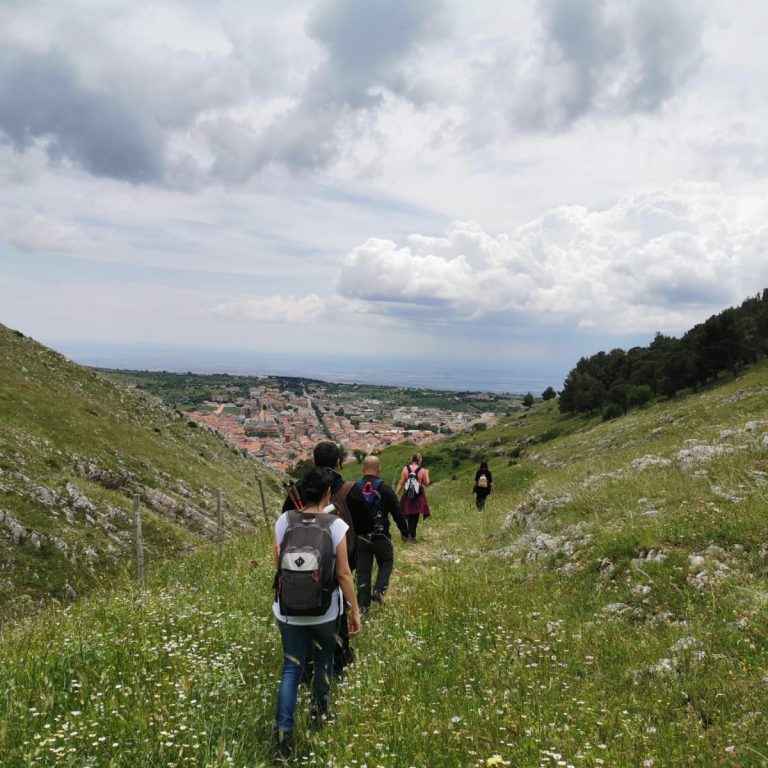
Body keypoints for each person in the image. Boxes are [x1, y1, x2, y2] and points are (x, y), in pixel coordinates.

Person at [273, 467, 362, 761]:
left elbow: (279, 563)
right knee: (324, 663)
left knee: (291, 669)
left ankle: (283, 737)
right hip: (325, 610)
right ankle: (319, 716)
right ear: (327, 493)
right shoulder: (335, 525)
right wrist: (354, 610)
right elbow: (344, 574)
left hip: (288, 609)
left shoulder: (284, 521)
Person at [283, 441, 372, 676]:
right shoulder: (350, 490)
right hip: (342, 562)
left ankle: (307, 659)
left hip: (300, 562)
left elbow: (286, 522)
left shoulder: (300, 490)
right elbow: (366, 526)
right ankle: (338, 660)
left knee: (306, 602)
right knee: (338, 607)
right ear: (338, 463)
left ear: (313, 462)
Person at [355, 455, 409, 609]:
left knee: (363, 572)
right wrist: (404, 532)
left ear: (362, 469)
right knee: (386, 562)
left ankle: (363, 607)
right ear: (379, 469)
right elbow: (397, 512)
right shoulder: (385, 488)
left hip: (361, 538)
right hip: (381, 536)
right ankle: (379, 590)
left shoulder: (354, 488)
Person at [395, 451, 431, 542]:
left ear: (411, 459)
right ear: (420, 460)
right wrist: (427, 474)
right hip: (418, 494)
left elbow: (401, 482)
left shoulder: (405, 469)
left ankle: (407, 534)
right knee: (415, 514)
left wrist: (396, 493)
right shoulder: (422, 470)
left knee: (407, 513)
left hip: (407, 493)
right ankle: (412, 536)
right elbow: (427, 484)